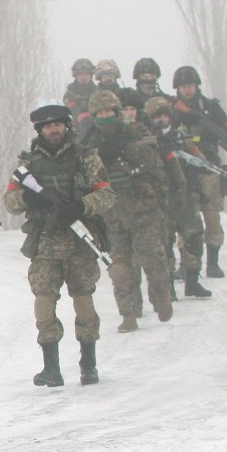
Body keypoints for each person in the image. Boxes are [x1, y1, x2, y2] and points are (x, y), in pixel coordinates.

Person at [4, 102, 114, 386]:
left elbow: (106, 195)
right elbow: (10, 201)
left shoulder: (85, 158)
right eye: (47, 126)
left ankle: (88, 364)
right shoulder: (27, 165)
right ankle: (51, 367)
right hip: (45, 244)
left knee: (84, 301)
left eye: (58, 124)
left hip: (80, 241)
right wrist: (29, 198)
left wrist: (80, 206)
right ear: (40, 130)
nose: (53, 130)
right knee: (43, 302)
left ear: (67, 126)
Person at [82, 90, 172, 333]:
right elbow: (84, 177)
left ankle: (162, 293)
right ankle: (129, 314)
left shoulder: (135, 132)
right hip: (112, 216)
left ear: (116, 111)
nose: (105, 116)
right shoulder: (89, 142)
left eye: (108, 111)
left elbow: (153, 164)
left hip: (142, 209)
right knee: (120, 269)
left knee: (152, 258)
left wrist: (124, 149)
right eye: (99, 113)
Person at [171, 65, 227, 278]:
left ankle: (213, 262)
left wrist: (219, 135)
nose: (187, 90)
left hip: (209, 166)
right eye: (183, 86)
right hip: (183, 167)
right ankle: (187, 265)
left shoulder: (210, 107)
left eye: (190, 85)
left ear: (196, 85)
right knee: (186, 219)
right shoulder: (172, 109)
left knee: (212, 216)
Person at [143, 96, 211, 299]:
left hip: (186, 196)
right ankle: (167, 288)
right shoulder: (143, 140)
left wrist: (190, 160)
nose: (162, 120)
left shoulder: (181, 137)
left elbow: (202, 162)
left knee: (194, 238)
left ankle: (192, 282)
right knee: (163, 245)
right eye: (157, 116)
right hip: (161, 199)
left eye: (165, 115)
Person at [63, 58, 96, 128]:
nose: (84, 77)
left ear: (91, 75)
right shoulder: (70, 94)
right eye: (80, 74)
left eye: (86, 74)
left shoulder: (98, 92)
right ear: (76, 76)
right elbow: (73, 115)